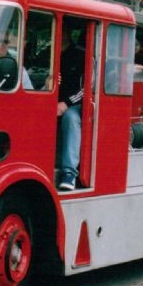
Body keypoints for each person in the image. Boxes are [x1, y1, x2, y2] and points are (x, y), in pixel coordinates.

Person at [57, 27, 85, 191]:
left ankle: (69, 172)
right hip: (51, 100)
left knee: (71, 117)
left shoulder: (81, 55)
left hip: (77, 104)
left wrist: (66, 103)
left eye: (61, 28)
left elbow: (89, 87)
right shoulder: (48, 52)